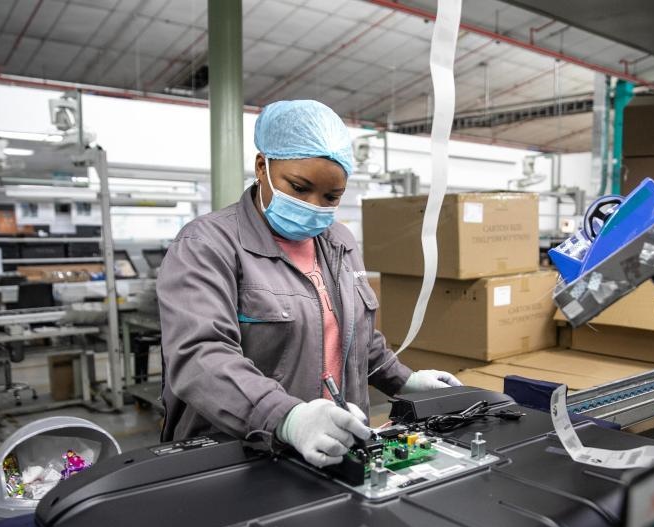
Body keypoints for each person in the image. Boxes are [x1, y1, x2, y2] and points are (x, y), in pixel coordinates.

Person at [157, 100, 460, 468]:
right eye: (300, 188)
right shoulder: (207, 245)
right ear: (262, 167)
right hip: (242, 458)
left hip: (334, 453)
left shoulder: (339, 242)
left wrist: (405, 380)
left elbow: (356, 340)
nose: (315, 205)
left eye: (331, 197)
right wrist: (286, 418)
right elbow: (200, 356)